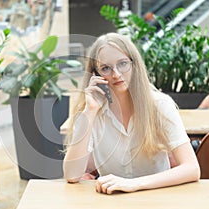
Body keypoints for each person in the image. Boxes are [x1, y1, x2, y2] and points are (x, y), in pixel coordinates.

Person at [63, 33, 200, 194]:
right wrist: (90, 111)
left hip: (158, 201)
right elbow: (71, 175)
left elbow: (192, 169)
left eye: (122, 64)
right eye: (106, 68)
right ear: (96, 75)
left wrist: (134, 184)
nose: (116, 74)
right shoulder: (91, 112)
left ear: (134, 65)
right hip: (112, 204)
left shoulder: (160, 105)